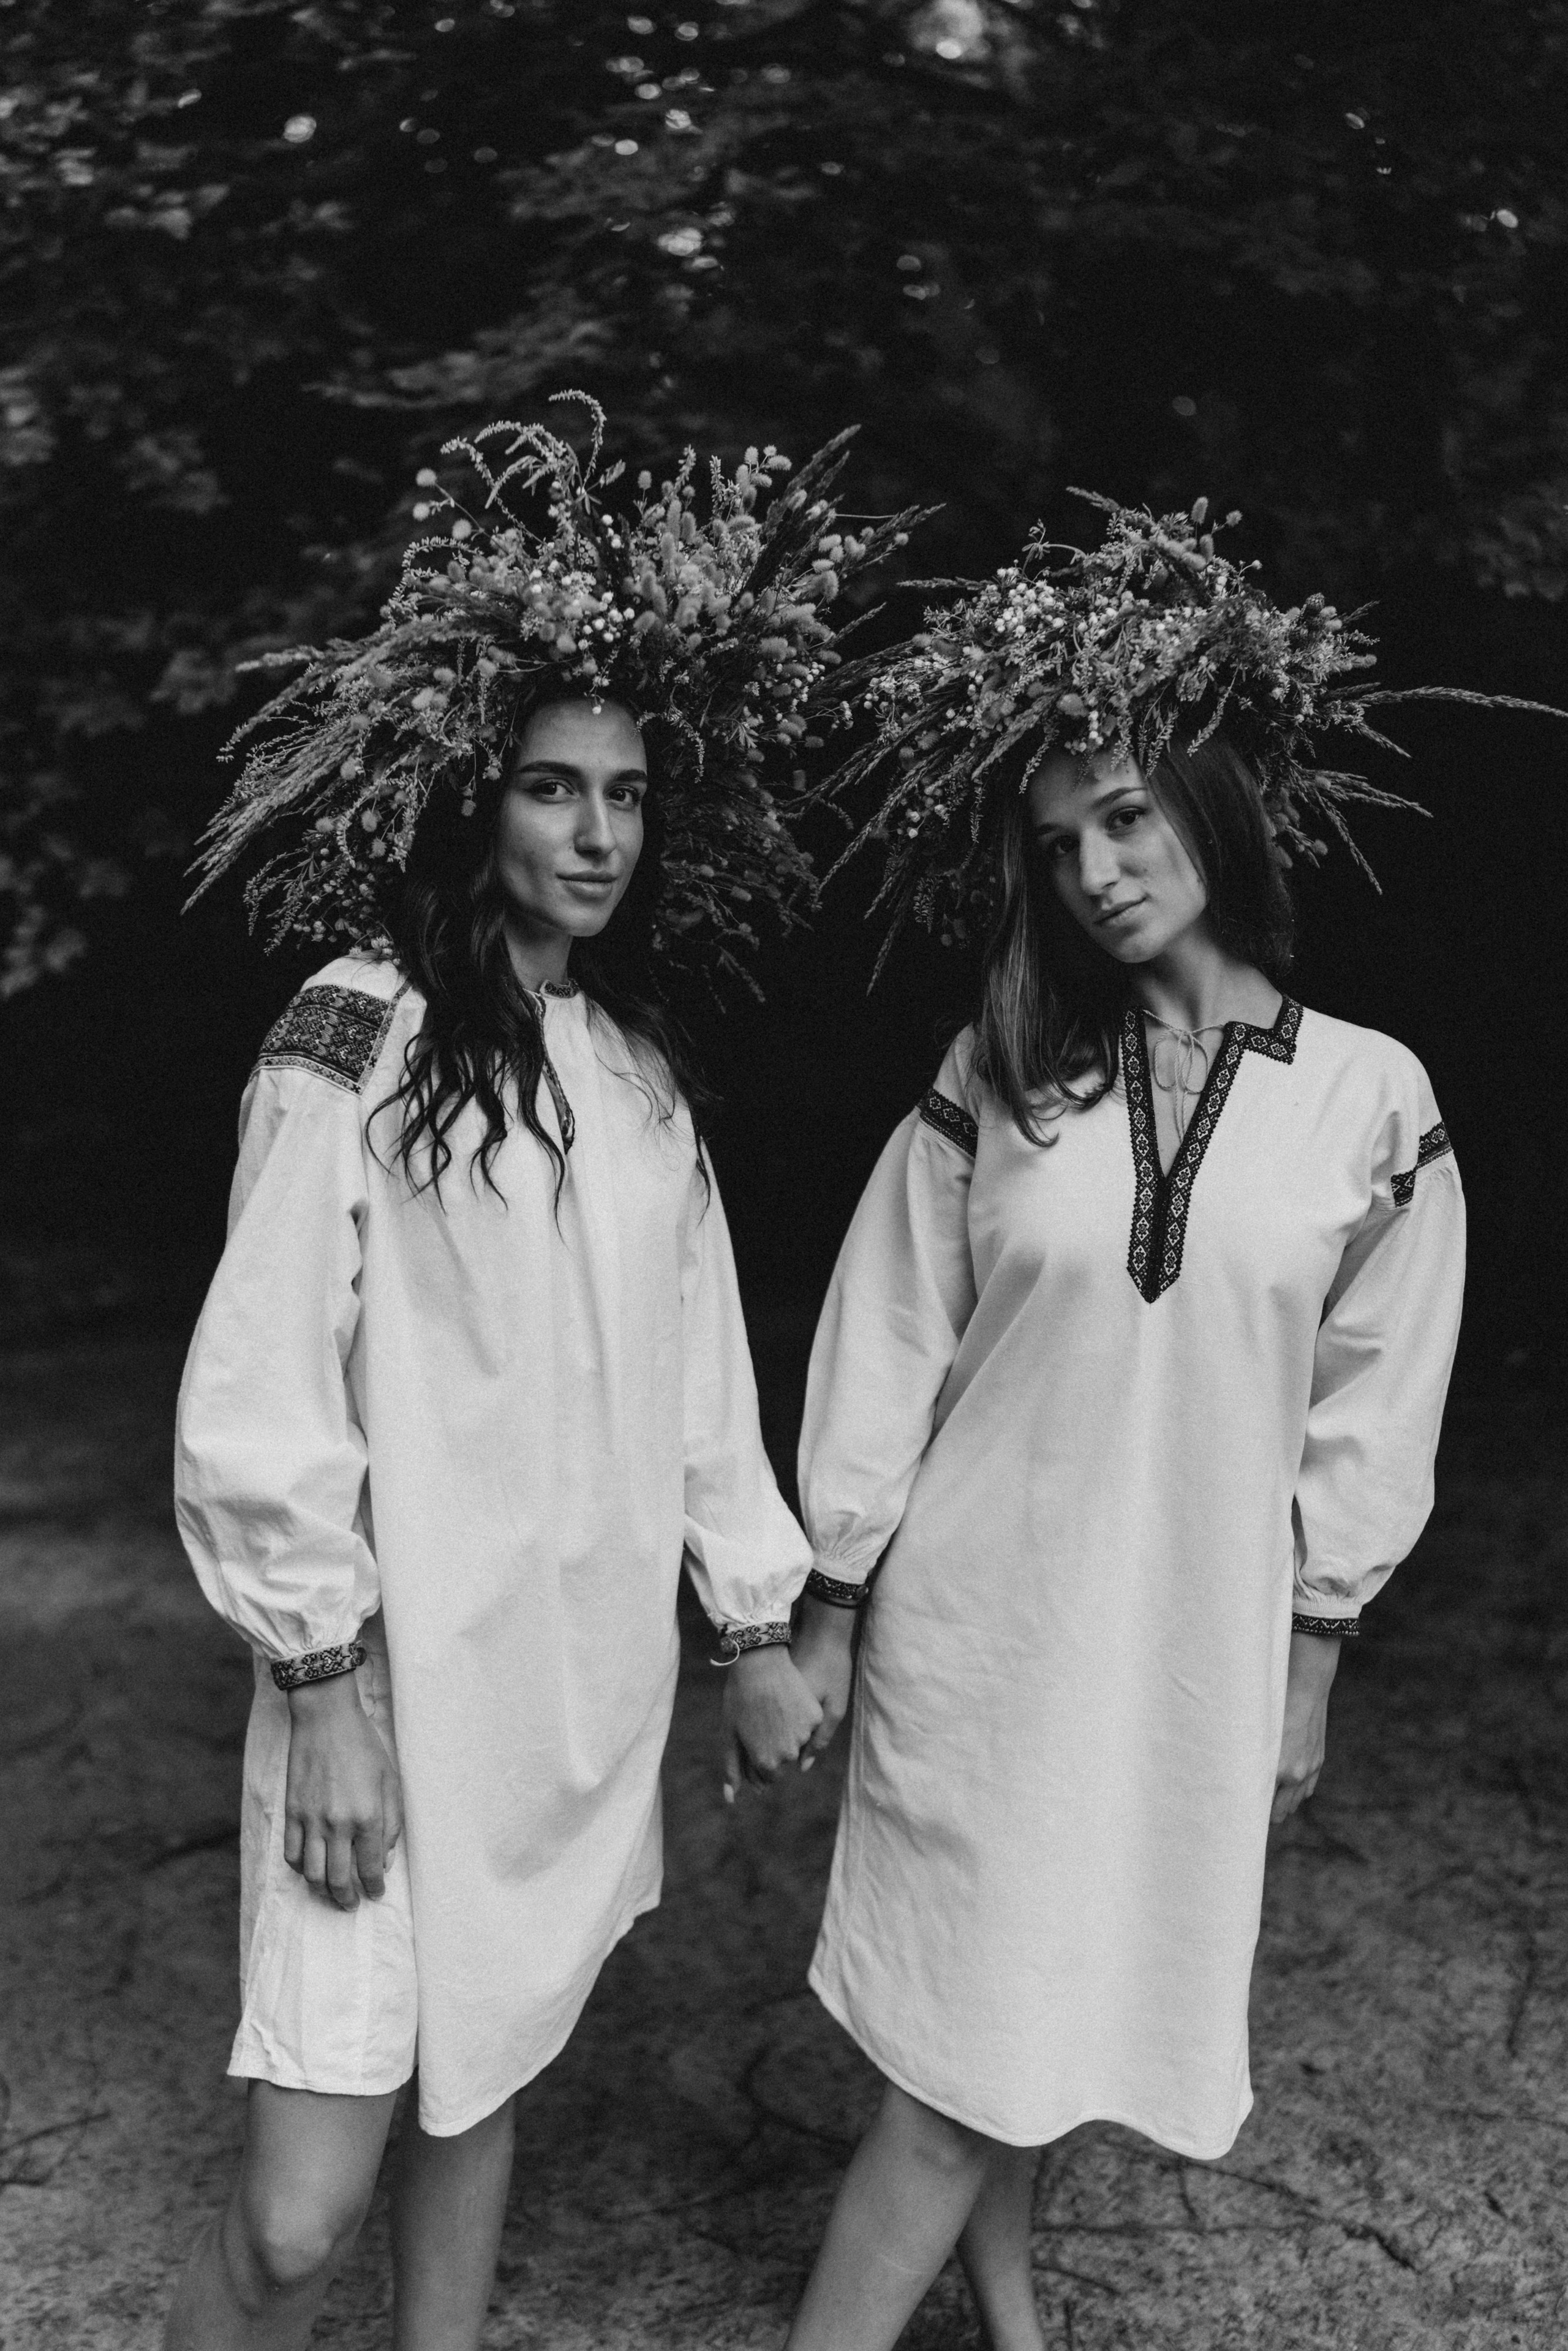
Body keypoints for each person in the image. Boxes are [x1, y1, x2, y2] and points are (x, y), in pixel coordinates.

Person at [162, 402, 915, 2351]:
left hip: (565, 1691)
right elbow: (261, 1386)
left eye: (627, 797)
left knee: (479, 2079)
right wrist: (320, 1692)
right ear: (469, 801)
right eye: (554, 790)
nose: (596, 836)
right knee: (298, 2220)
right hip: (387, 1686)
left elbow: (696, 1382)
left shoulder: (640, 1077)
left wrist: (756, 1626)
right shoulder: (357, 1032)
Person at [775, 494, 1561, 2350]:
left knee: (1043, 2008)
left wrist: (1313, 1655)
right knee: (961, 2060)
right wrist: (829, 1600)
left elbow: (1377, 1404)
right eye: (1060, 845)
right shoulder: (1004, 1071)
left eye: (1126, 817)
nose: (1097, 872)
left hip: (1185, 1646)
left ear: (1213, 799)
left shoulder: (1370, 1101)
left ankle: (1015, 2308)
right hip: (980, 1632)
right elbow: (888, 1334)